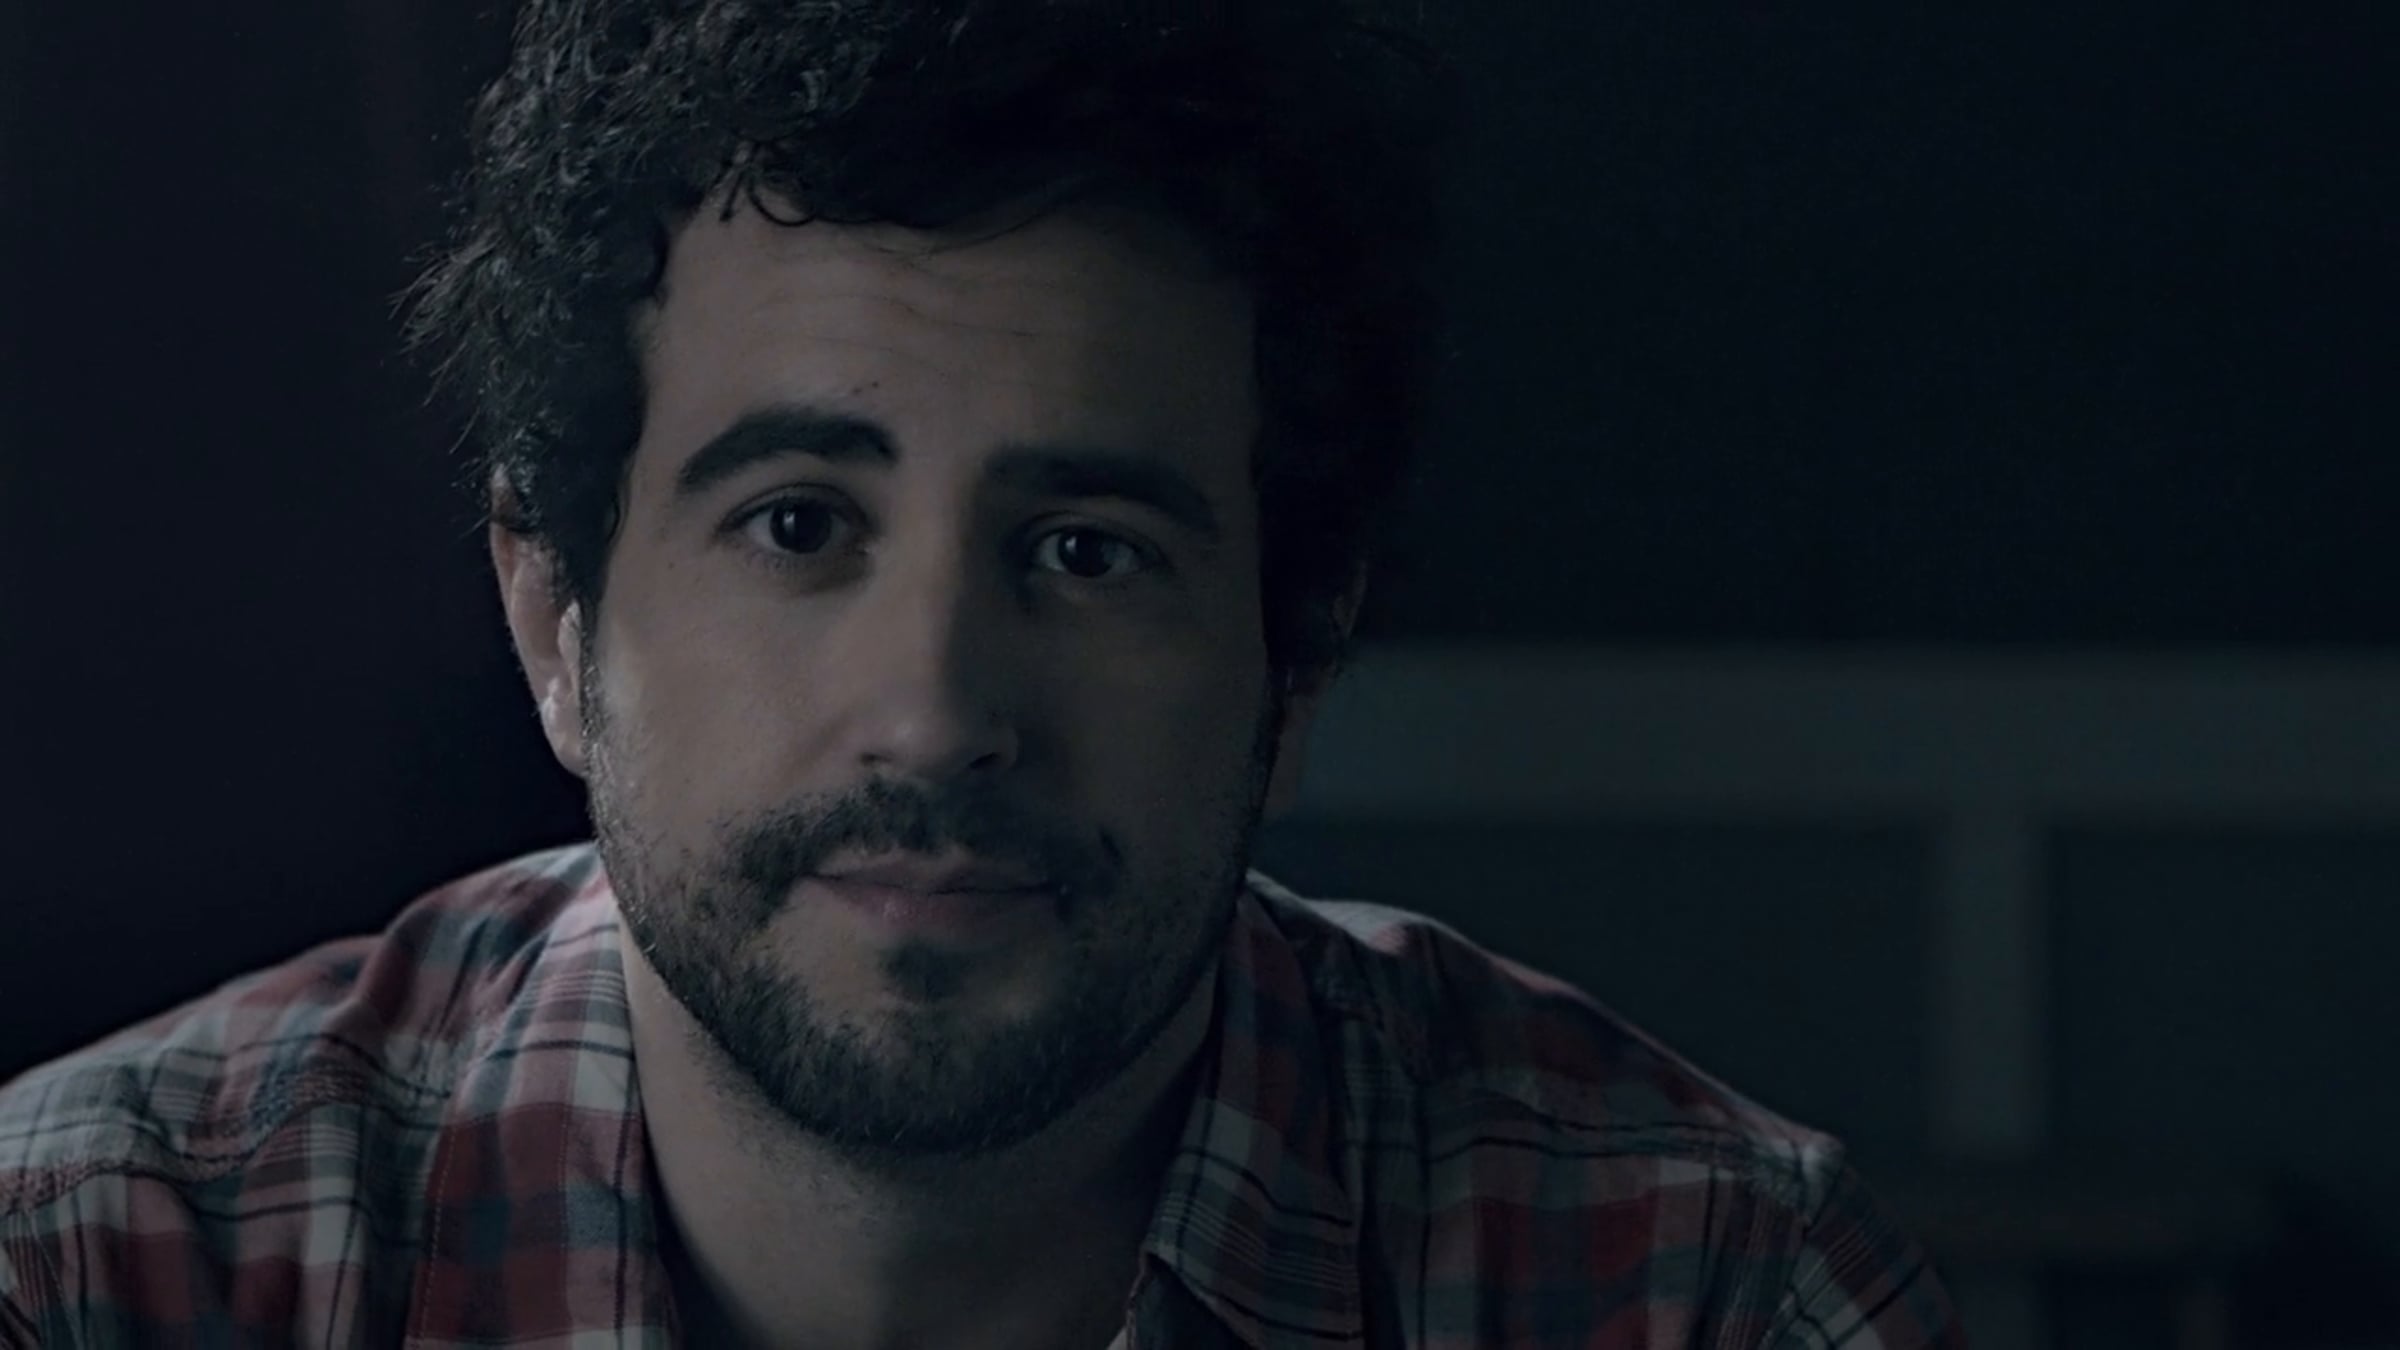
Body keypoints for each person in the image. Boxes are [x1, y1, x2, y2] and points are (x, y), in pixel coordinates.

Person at [0, 1, 1963, 1345]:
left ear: (1295, 659)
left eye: (1087, 552)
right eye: (797, 524)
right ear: (555, 622)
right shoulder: (99, 1270)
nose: (937, 711)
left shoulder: (1696, 1291)